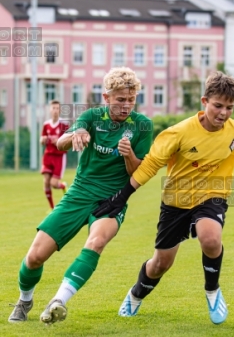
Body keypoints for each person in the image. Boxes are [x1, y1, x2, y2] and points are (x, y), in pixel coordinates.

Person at [93, 71, 234, 325]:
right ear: (204, 102)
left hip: (213, 196)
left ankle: (212, 291)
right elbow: (149, 166)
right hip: (175, 202)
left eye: (229, 107)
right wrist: (121, 196)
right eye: (218, 106)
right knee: (160, 263)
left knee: (210, 238)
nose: (223, 113)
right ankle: (136, 295)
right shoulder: (178, 133)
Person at [8, 67, 153, 324]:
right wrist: (77, 133)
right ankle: (24, 300)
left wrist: (129, 154)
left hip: (112, 199)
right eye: (120, 100)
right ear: (106, 98)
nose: (126, 105)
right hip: (79, 193)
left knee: (96, 243)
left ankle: (58, 301)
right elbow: (61, 142)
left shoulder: (143, 125)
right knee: (34, 257)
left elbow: (138, 173)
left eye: (131, 100)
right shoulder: (91, 116)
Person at [40, 100, 69, 210]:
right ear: (50, 110)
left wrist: (60, 140)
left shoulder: (64, 124)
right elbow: (42, 139)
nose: (55, 111)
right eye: (53, 108)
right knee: (46, 181)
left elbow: (68, 139)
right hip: (48, 155)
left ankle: (63, 186)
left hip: (59, 156)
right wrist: (42, 140)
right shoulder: (46, 124)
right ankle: (52, 208)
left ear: (60, 110)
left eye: (57, 108)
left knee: (53, 183)